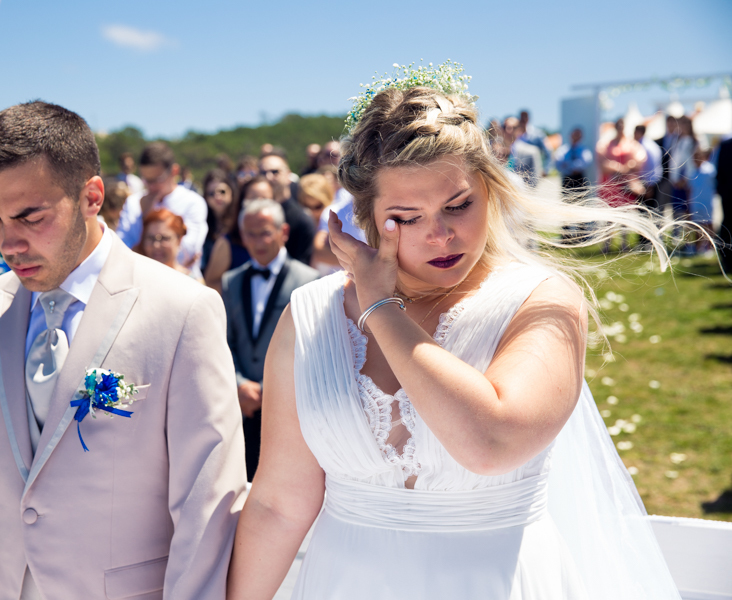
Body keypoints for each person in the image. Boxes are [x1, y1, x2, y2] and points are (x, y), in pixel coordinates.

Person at [228, 66, 679, 599]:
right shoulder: (309, 316)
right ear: (367, 218)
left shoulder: (543, 300)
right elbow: (279, 504)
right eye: (406, 217)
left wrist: (380, 308)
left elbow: (491, 443)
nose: (439, 234)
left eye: (458, 206)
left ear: (490, 190)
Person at [0, 101, 246, 599]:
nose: (9, 244)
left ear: (91, 197)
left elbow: (207, 505)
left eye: (30, 217)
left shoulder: (182, 311)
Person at [222, 200, 318, 481]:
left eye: (265, 233)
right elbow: (225, 341)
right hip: (241, 406)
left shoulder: (308, 280)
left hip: (287, 404)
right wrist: (239, 383)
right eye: (250, 234)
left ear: (283, 232)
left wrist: (268, 388)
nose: (258, 242)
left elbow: (309, 344)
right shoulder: (231, 281)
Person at [115, 142, 209, 274]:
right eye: (146, 180)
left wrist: (139, 251)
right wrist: (144, 216)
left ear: (174, 171)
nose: (150, 186)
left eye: (156, 179)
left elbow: (187, 252)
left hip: (182, 281)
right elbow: (120, 250)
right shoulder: (134, 202)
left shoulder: (193, 202)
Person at [597, 118, 646, 251]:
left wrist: (627, 167)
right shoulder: (608, 144)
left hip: (625, 183)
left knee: (625, 212)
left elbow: (639, 159)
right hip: (611, 183)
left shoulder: (630, 143)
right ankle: (607, 243)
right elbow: (602, 162)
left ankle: (624, 243)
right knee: (609, 214)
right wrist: (617, 167)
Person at [258, 151, 315, 264]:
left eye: (275, 172)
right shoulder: (251, 216)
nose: (268, 177)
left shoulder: (302, 220)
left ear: (288, 175)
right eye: (263, 173)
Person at [136, 208, 203, 282]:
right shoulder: (135, 278)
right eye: (151, 238)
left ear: (179, 239)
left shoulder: (192, 282)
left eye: (164, 238)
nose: (156, 245)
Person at [201, 168, 243, 274]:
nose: (217, 197)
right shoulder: (202, 223)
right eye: (211, 193)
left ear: (231, 192)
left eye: (222, 192)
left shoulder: (240, 221)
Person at [715, 137, 732, 272]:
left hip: (727, 192)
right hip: (728, 195)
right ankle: (727, 260)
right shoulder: (725, 145)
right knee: (728, 226)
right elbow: (719, 170)